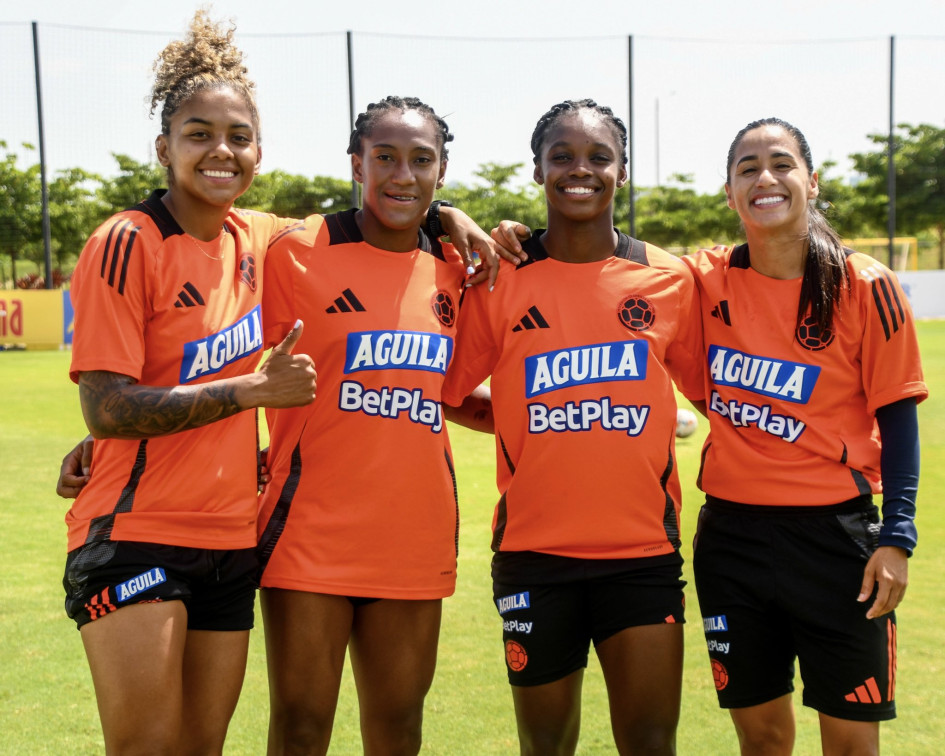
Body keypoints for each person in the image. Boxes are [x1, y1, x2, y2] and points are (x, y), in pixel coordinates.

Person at [62, 11, 319, 755]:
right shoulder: (127, 241)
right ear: (164, 146)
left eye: (237, 137)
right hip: (136, 537)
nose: (220, 151)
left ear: (259, 153)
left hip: (232, 542)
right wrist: (249, 392)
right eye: (199, 133)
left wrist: (453, 215)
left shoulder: (258, 238)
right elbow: (107, 406)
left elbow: (366, 223)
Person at [442, 99, 704, 755]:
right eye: (561, 156)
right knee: (545, 746)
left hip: (641, 557)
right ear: (537, 170)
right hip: (534, 558)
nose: (578, 170)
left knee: (649, 743)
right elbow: (444, 391)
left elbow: (716, 390)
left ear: (621, 168)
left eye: (597, 157)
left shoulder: (666, 278)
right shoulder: (502, 276)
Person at [256, 95, 494, 755]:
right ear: (355, 163)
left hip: (412, 531)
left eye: (421, 160)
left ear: (441, 172)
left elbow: (450, 395)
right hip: (308, 528)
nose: (402, 175)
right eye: (384, 157)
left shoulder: (457, 271)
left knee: (397, 729)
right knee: (301, 727)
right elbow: (210, 342)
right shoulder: (295, 251)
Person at [683, 117, 926, 755]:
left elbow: (899, 416)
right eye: (748, 168)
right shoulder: (703, 280)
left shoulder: (865, 285)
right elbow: (606, 259)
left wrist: (897, 536)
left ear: (811, 183)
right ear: (730, 193)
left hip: (837, 545)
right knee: (762, 741)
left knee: (850, 745)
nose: (766, 178)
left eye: (782, 164)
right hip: (732, 541)